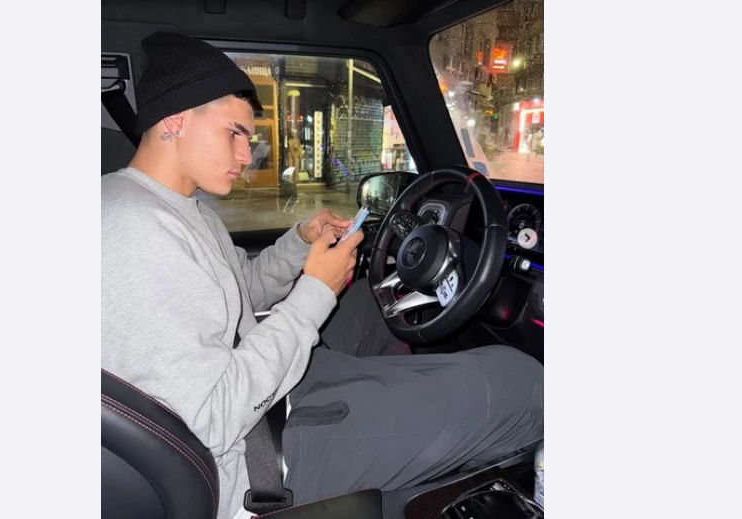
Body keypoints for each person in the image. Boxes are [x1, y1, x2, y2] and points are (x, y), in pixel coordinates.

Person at [101, 31, 544, 519]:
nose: (247, 155)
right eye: (233, 133)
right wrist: (314, 291)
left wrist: (298, 243)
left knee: (373, 299)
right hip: (256, 459)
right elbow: (214, 418)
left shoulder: (180, 206)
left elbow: (238, 295)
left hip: (270, 395)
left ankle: (404, 422)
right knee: (524, 385)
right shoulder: (132, 229)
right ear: (176, 120)